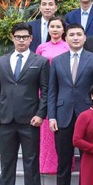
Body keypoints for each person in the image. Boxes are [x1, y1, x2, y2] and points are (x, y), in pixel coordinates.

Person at [0, 23, 49, 185]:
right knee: (7, 162)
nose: (21, 40)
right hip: (5, 120)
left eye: (25, 37)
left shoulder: (40, 61)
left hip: (30, 120)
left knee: (31, 162)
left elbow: (46, 91)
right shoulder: (1, 61)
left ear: (31, 38)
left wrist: (40, 114)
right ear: (12, 38)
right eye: (18, 36)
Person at [48, 23, 93, 185]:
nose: (75, 37)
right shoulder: (57, 61)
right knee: (63, 162)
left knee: (89, 162)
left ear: (84, 37)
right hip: (63, 117)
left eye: (78, 34)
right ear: (66, 37)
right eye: (71, 34)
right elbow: (52, 91)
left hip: (88, 117)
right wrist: (52, 116)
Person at [35, 17, 68, 175]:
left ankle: (63, 162)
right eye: (52, 26)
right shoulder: (42, 47)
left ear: (63, 30)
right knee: (46, 128)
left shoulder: (68, 46)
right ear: (48, 29)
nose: (55, 29)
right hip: (45, 88)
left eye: (58, 26)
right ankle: (46, 165)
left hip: (64, 88)